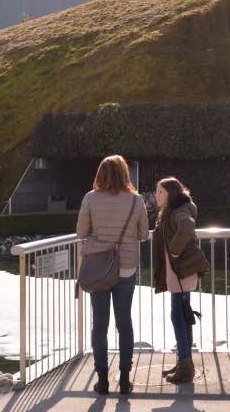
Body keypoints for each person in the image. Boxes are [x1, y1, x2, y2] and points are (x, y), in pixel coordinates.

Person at [76, 155, 149, 396]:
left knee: (99, 324)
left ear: (100, 174)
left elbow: (81, 232)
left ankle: (102, 380)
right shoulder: (136, 200)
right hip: (126, 267)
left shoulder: (90, 198)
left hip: (99, 268)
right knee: (124, 322)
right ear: (125, 173)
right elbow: (143, 234)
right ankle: (125, 379)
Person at [152, 177, 209, 384]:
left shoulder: (179, 211)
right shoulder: (173, 211)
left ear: (171, 193)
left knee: (178, 315)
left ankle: (185, 365)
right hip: (178, 272)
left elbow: (186, 227)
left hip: (181, 272)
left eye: (160, 191)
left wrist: (175, 251)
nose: (156, 195)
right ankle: (184, 361)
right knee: (183, 314)